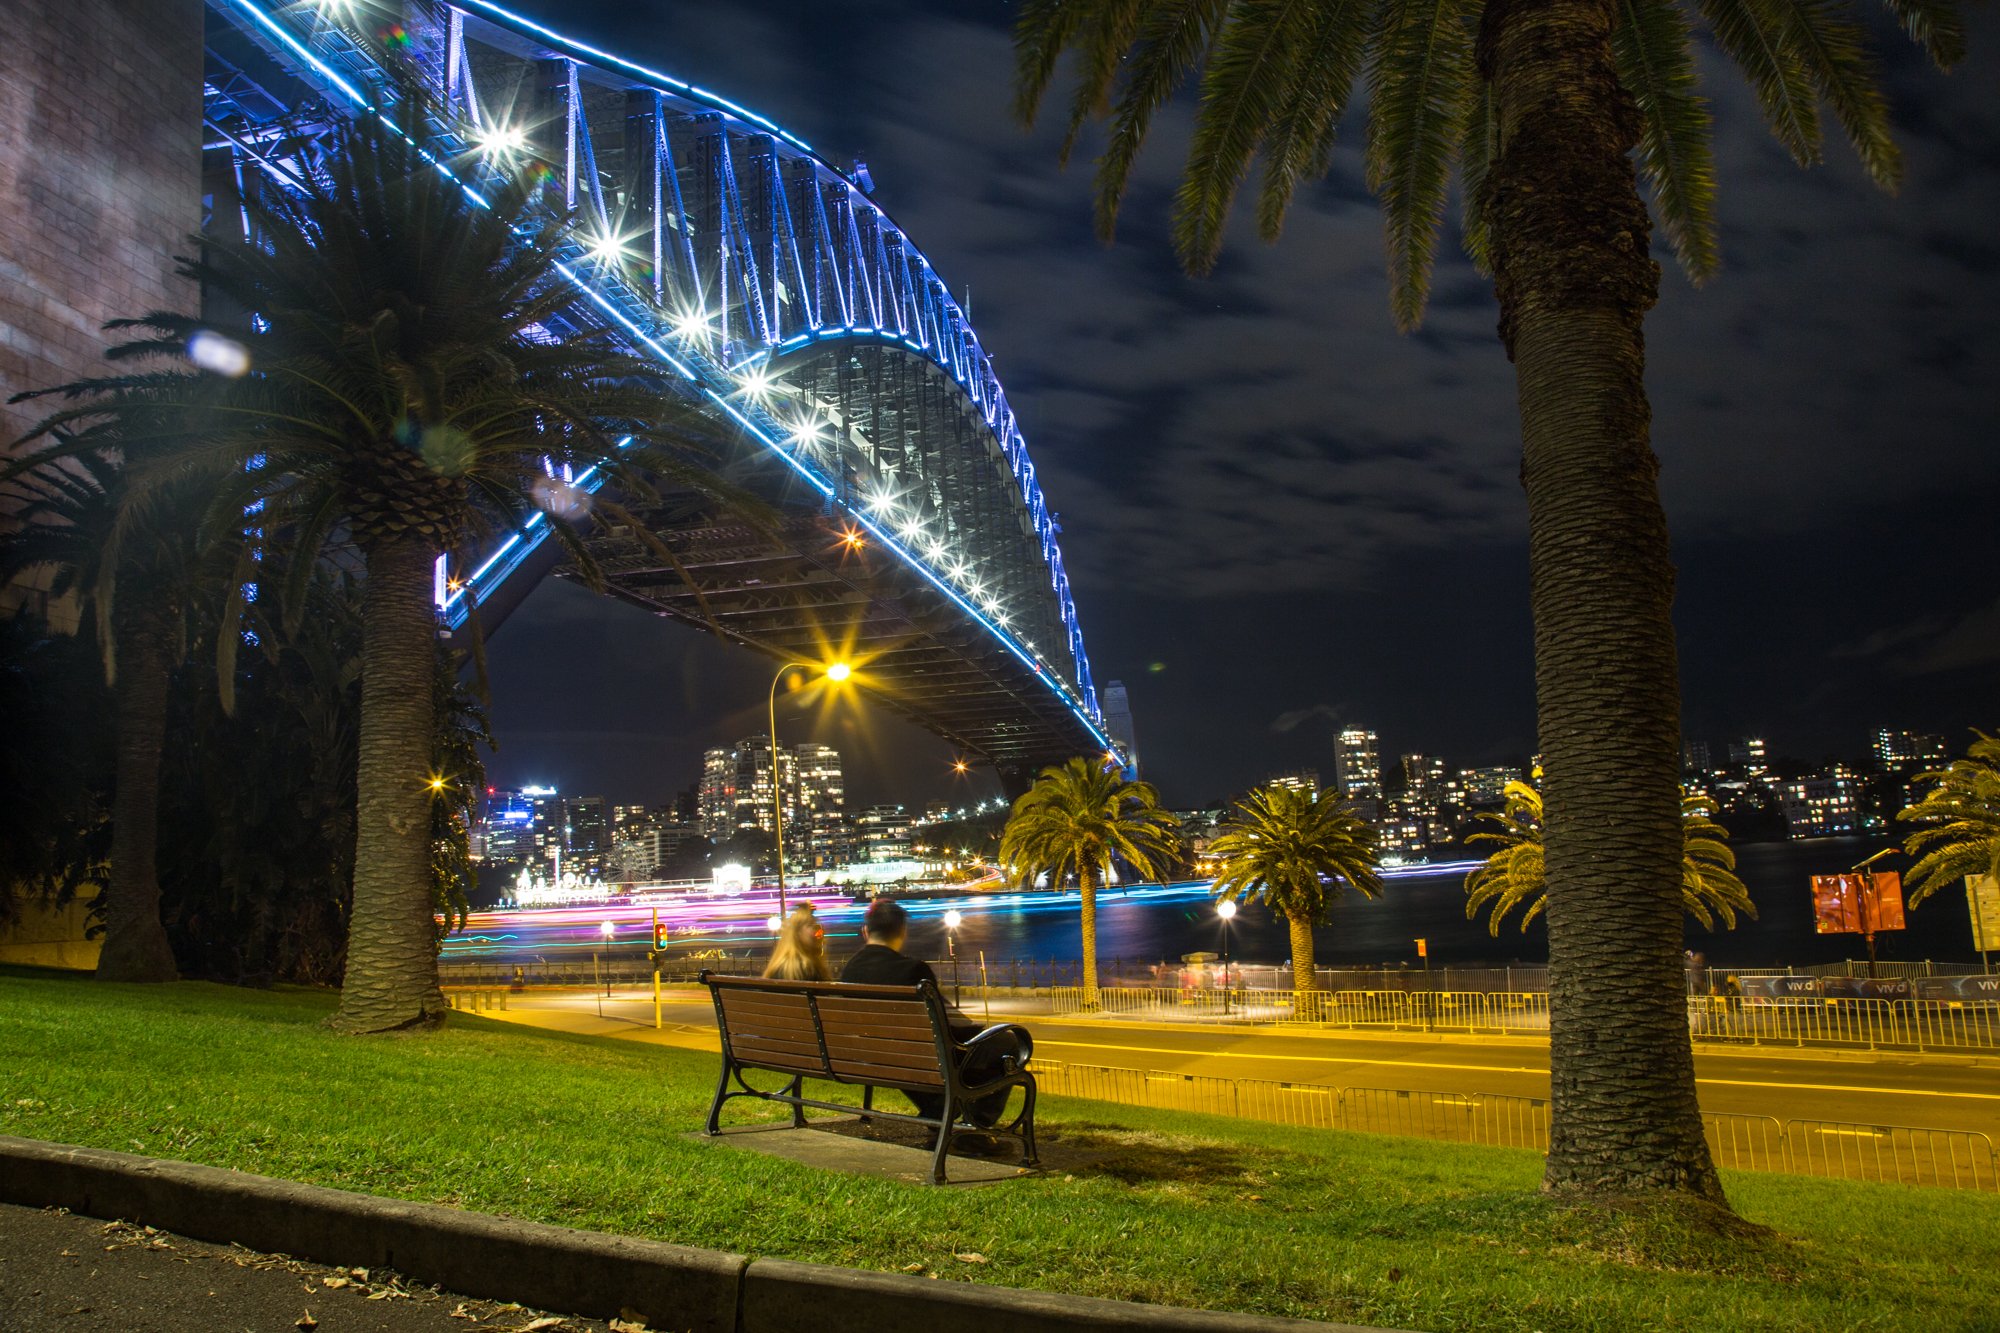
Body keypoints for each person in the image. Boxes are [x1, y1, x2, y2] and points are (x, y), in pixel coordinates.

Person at [839, 898, 1029, 1133]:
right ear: (902, 931)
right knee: (1008, 1042)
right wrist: (976, 1029)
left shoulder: (850, 971)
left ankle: (938, 1111)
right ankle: (974, 1126)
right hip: (919, 1060)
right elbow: (947, 1028)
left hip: (869, 1059)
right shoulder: (913, 971)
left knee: (921, 1055)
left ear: (865, 931)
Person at [763, 905, 832, 982]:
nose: (816, 931)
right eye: (810, 926)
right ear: (797, 933)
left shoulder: (778, 967)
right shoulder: (808, 969)